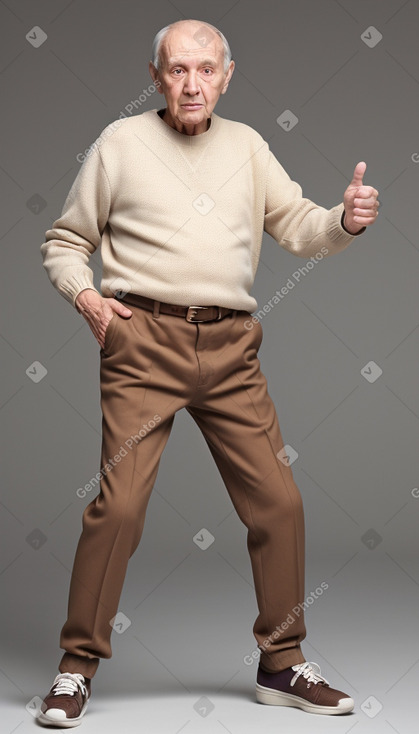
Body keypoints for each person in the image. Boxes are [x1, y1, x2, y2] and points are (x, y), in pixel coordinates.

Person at [37, 18, 379, 727]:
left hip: (229, 351)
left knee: (278, 505)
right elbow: (67, 239)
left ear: (227, 74)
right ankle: (75, 669)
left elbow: (297, 227)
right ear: (156, 76)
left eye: (205, 69)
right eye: (176, 70)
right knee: (121, 509)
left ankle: (281, 664)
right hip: (142, 344)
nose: (191, 83)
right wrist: (87, 297)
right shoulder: (120, 143)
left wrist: (342, 222)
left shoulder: (248, 145)